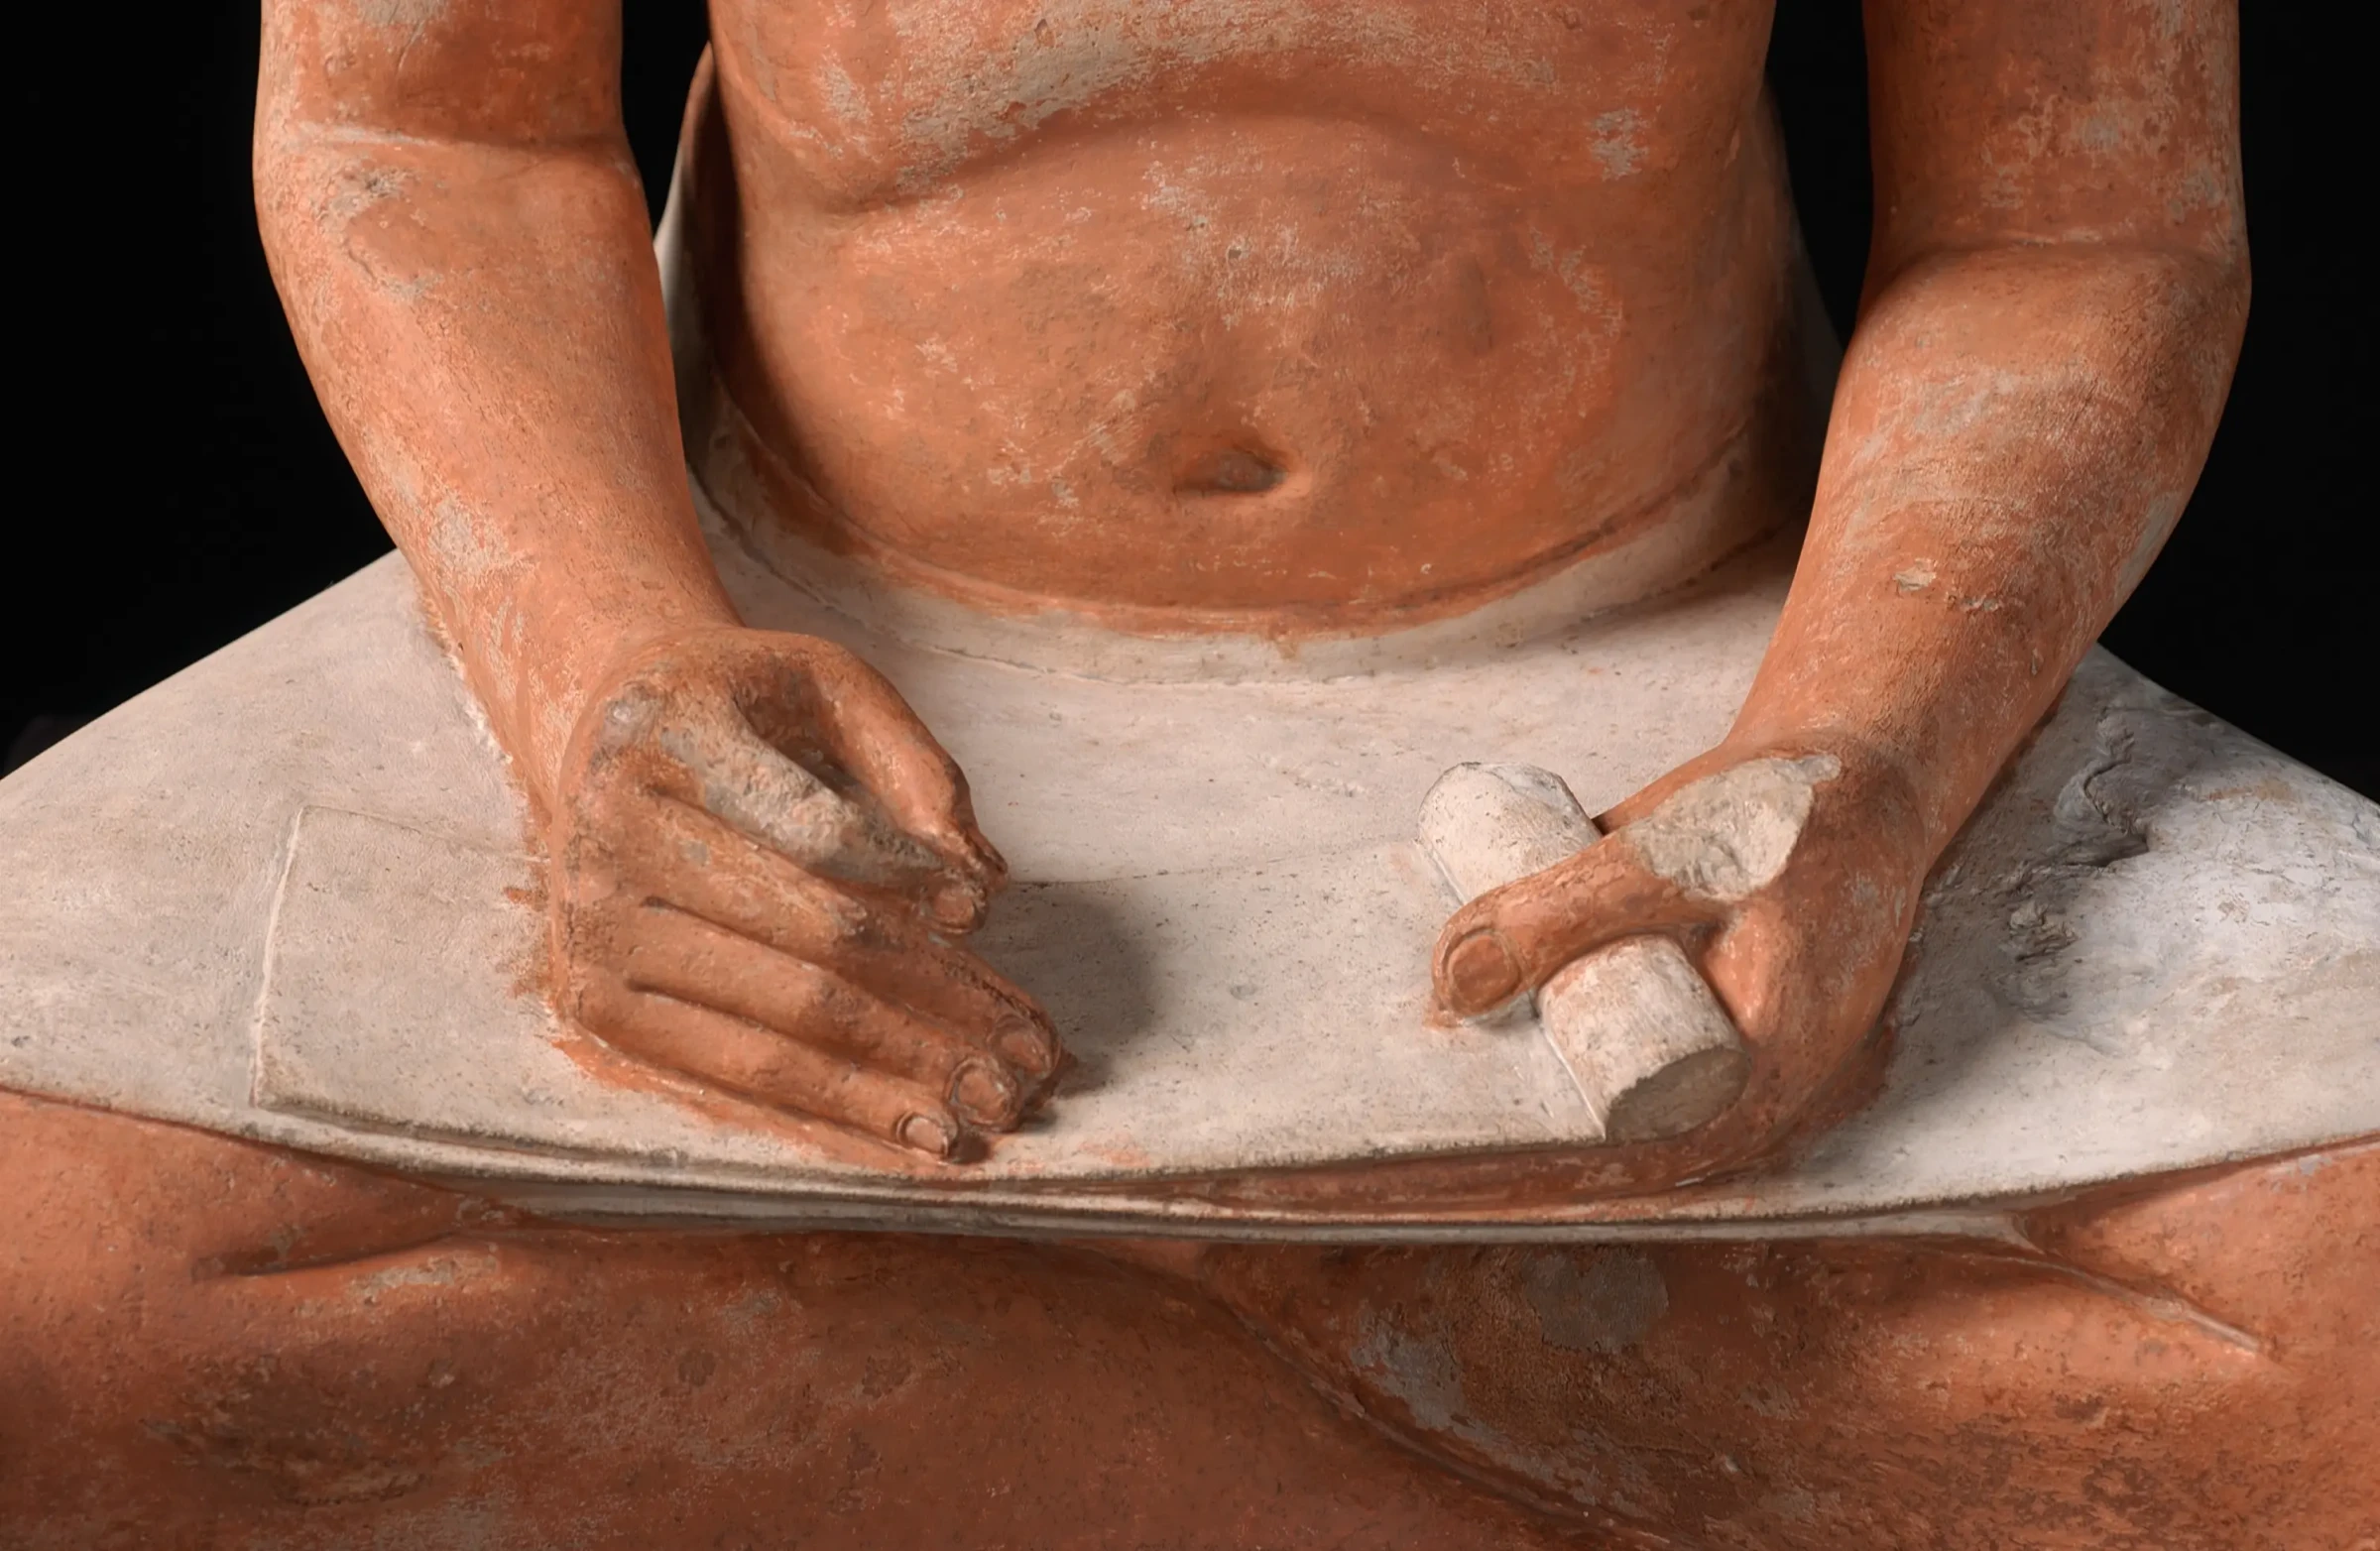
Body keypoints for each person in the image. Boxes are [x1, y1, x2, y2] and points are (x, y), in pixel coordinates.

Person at [6, 1, 2369, 1544]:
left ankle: (957, 1407)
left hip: (1676, 703)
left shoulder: (1802, 729)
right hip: (811, 680)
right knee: (54, 1288)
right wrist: (597, 672)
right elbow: (424, 121)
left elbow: (2076, 220)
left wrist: (1866, 747)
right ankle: (1538, 1416)